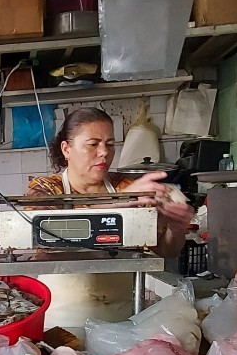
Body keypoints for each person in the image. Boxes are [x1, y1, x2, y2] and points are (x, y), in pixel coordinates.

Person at [27, 107, 194, 258]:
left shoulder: (124, 185)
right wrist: (120, 202)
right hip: (62, 291)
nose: (104, 152)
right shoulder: (45, 188)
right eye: (93, 144)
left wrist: (176, 228)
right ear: (66, 149)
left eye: (110, 144)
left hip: (120, 289)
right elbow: (46, 234)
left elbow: (166, 251)